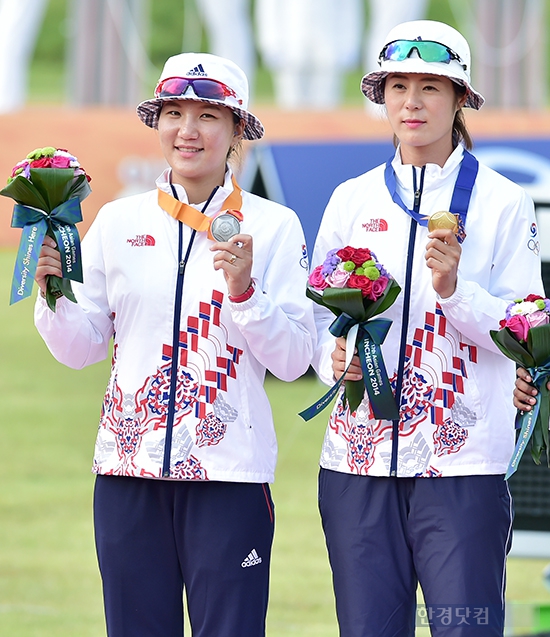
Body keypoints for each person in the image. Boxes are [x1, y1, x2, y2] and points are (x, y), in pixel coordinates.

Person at [34, 52, 314, 637]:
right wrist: (53, 295)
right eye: (174, 113)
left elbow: (294, 360)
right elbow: (81, 347)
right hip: (126, 473)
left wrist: (245, 293)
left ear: (238, 130)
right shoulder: (115, 220)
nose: (188, 130)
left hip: (228, 478)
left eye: (208, 115)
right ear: (157, 123)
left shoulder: (276, 225)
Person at [310, 20, 543, 637]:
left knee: (464, 627)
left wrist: (455, 293)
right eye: (398, 86)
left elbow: (530, 327)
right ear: (381, 96)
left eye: (431, 87)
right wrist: (330, 357)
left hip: (463, 465)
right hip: (356, 464)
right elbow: (315, 317)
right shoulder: (350, 199)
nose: (412, 102)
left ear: (461, 98)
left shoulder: (502, 203)